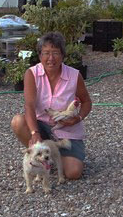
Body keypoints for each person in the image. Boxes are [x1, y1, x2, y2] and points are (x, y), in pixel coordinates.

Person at [11, 32, 92, 179]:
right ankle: (41, 155)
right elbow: (29, 106)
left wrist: (78, 118)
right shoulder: (32, 74)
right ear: (39, 55)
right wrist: (35, 133)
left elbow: (87, 101)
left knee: (73, 173)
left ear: (63, 55)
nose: (51, 58)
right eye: (46, 53)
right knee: (18, 122)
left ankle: (57, 155)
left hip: (66, 129)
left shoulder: (74, 75)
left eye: (55, 53)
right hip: (41, 125)